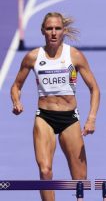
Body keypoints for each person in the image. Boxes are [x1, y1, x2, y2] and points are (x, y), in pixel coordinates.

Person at [10, 12, 100, 201]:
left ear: (63, 31)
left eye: (57, 29)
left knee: (80, 179)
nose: (53, 32)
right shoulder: (33, 57)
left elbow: (94, 89)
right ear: (43, 31)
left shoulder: (74, 56)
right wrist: (16, 101)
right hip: (44, 118)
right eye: (49, 28)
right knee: (45, 171)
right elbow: (16, 86)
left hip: (69, 119)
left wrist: (91, 119)